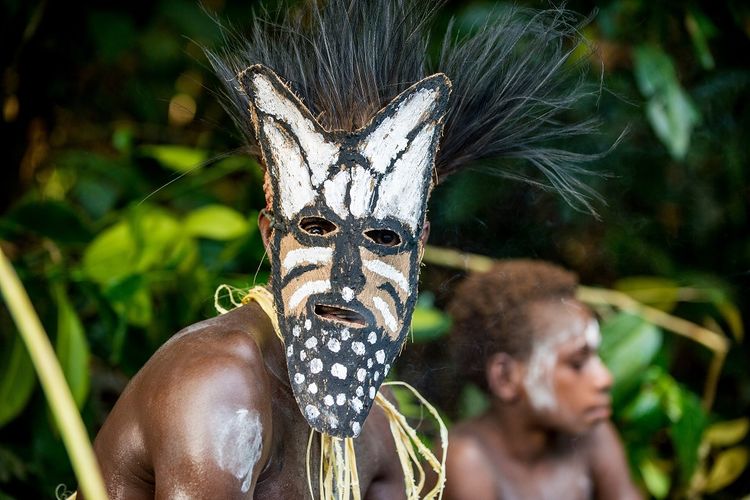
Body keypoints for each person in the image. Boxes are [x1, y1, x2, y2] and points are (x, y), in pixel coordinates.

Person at [82, 1, 608, 497]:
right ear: (272, 234)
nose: (348, 276)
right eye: (317, 229)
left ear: (417, 248)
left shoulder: (376, 430)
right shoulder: (220, 388)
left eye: (382, 239)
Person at [443, 260, 642, 500]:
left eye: (596, 358)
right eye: (577, 364)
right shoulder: (468, 462)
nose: (604, 379)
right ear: (505, 377)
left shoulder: (592, 435)